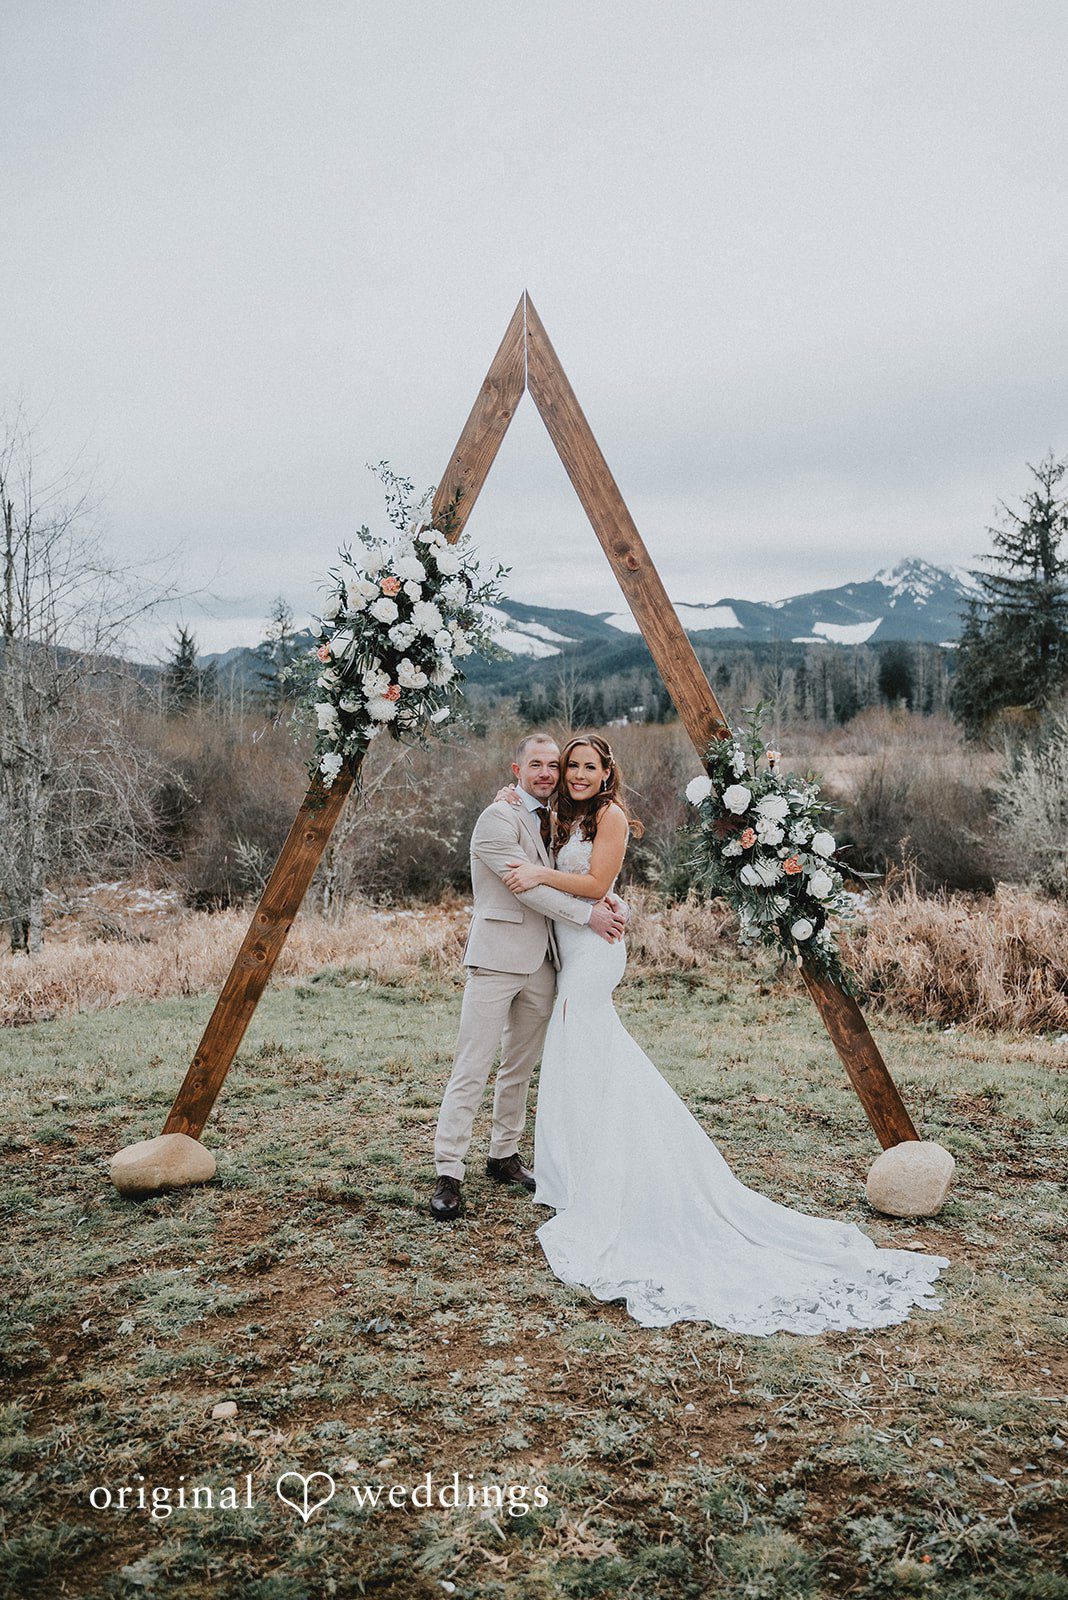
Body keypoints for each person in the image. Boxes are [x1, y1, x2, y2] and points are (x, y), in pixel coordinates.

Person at [495, 731, 951, 1335]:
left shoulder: (611, 817)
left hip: (596, 948)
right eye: (569, 766)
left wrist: (537, 874)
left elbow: (598, 886)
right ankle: (577, 1166)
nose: (575, 774)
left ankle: (616, 1167)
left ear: (607, 773)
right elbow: (536, 818)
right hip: (572, 945)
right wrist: (514, 795)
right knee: (582, 1049)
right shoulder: (560, 814)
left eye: (587, 767)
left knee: (587, 1041)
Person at [429, 732, 627, 1222]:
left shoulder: (555, 820)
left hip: (545, 961)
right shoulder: (497, 818)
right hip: (497, 957)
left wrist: (602, 901)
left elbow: (579, 874)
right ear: (515, 770)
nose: (547, 773)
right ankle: (449, 1171)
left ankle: (503, 1154)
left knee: (519, 1067)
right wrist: (589, 916)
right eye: (535, 764)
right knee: (472, 1065)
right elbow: (525, 890)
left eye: (552, 766)